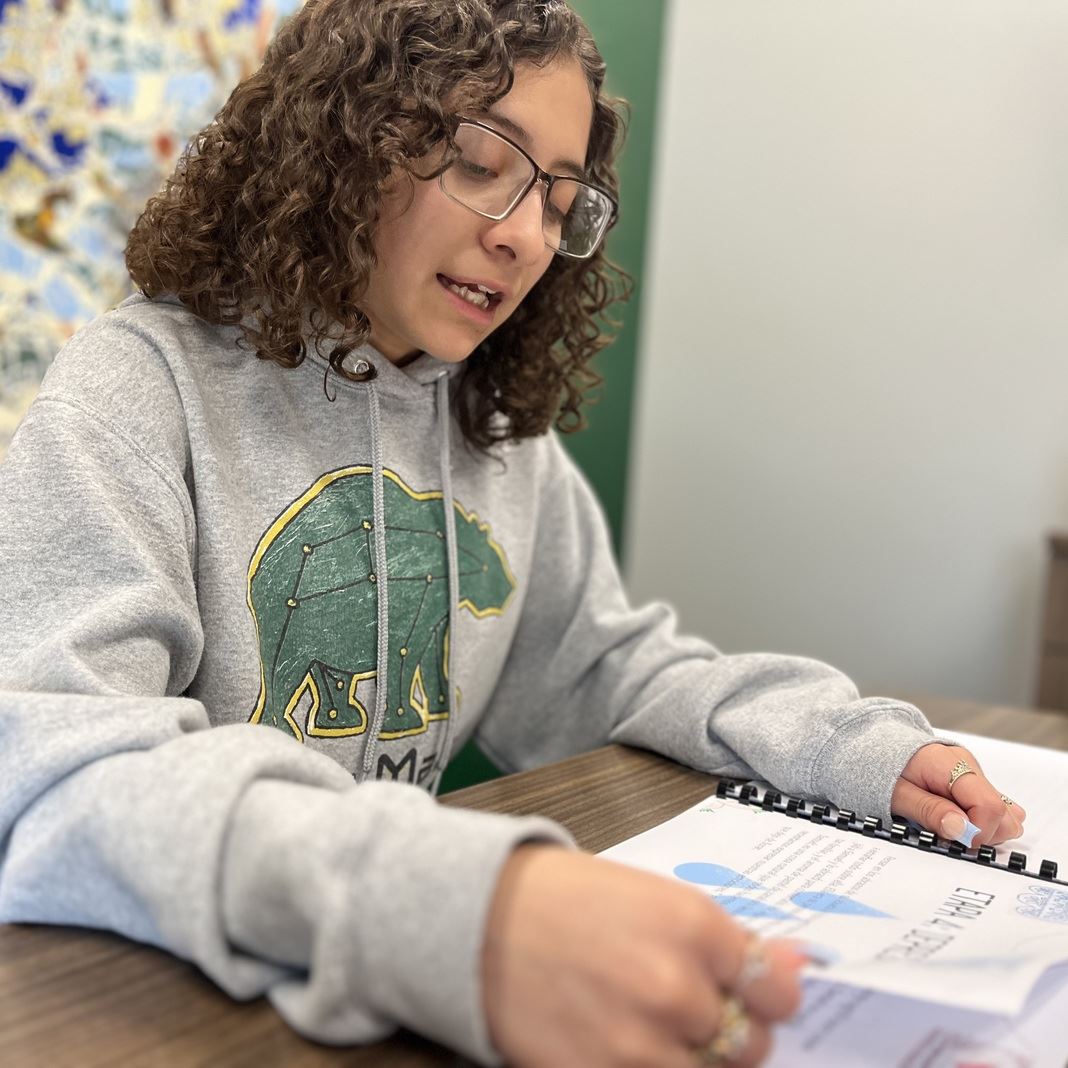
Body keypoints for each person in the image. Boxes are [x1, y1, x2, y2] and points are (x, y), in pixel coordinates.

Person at [0, 1, 1026, 1065]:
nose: (525, 235)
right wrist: (462, 906)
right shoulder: (136, 390)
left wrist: (845, 746)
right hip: (150, 1013)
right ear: (344, 144)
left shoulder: (488, 432)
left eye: (561, 200)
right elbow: (55, 775)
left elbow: (604, 669)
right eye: (483, 162)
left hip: (376, 993)